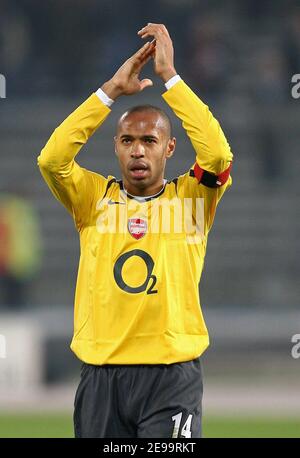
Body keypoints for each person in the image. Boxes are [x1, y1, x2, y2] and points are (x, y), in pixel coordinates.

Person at [38, 23, 233, 438]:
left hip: (170, 380)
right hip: (102, 379)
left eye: (148, 140)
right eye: (127, 140)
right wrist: (108, 92)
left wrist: (171, 78)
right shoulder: (93, 199)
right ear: (116, 147)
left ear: (169, 148)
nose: (138, 150)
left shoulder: (192, 200)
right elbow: (52, 160)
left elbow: (217, 154)